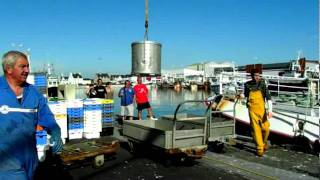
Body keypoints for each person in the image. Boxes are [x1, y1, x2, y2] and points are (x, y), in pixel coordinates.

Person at [0, 51, 63, 179]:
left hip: (30, 157)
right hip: (5, 159)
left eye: (27, 66)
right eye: (22, 66)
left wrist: (55, 130)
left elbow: (45, 115)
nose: (27, 70)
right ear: (9, 69)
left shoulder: (33, 92)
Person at [244, 68, 272, 157]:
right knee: (256, 130)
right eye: (256, 75)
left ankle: (263, 143)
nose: (257, 77)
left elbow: (268, 97)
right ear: (252, 76)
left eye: (259, 75)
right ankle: (259, 148)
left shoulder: (262, 84)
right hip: (252, 110)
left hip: (262, 110)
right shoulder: (247, 85)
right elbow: (246, 96)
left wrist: (270, 110)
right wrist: (242, 97)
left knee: (266, 128)